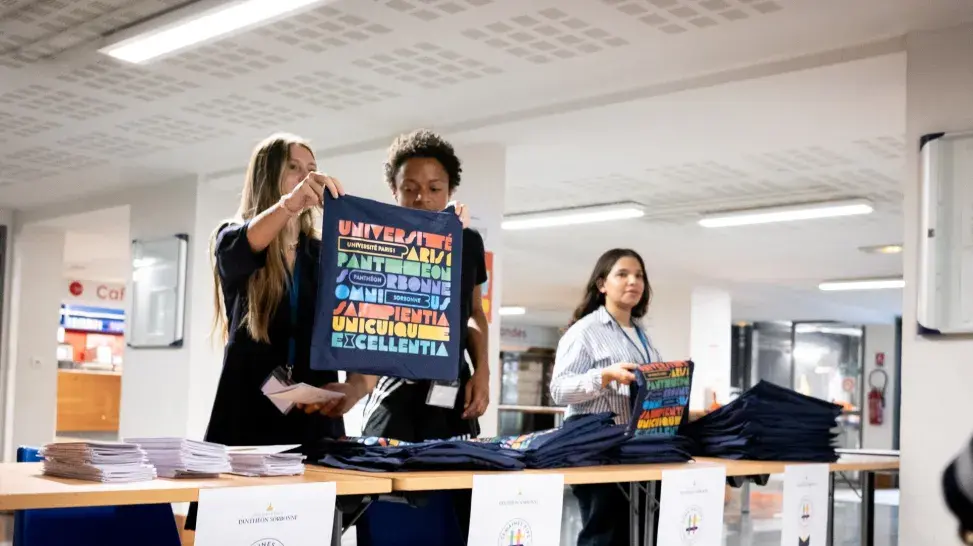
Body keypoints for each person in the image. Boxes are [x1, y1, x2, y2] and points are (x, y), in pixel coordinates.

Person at [186, 133, 376, 530]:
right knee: (242, 529)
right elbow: (249, 243)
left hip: (314, 419)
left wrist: (356, 388)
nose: (307, 177)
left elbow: (359, 327)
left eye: (312, 169)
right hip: (248, 418)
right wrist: (290, 204)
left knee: (314, 529)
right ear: (267, 175)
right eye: (293, 168)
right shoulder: (232, 237)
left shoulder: (324, 253)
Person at [358, 129, 489, 543]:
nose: (422, 198)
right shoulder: (377, 240)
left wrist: (483, 372)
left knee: (456, 511)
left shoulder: (468, 241)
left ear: (449, 191)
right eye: (410, 188)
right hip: (395, 396)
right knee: (388, 510)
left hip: (452, 394)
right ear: (394, 191)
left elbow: (473, 314)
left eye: (434, 188)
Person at [550, 248, 661, 546]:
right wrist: (604, 376)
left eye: (639, 276)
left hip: (635, 445)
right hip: (594, 444)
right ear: (602, 284)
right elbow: (559, 390)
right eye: (622, 274)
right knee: (605, 535)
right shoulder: (584, 331)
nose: (633, 282)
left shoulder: (643, 336)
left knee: (638, 533)